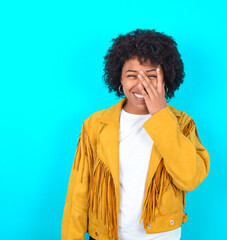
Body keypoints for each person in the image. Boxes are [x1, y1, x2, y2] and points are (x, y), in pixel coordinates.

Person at [61, 28, 210, 240]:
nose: (141, 84)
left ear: (166, 79)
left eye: (151, 76)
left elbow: (190, 178)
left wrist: (160, 114)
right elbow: (78, 192)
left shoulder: (182, 123)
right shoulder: (95, 124)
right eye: (132, 76)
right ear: (119, 79)